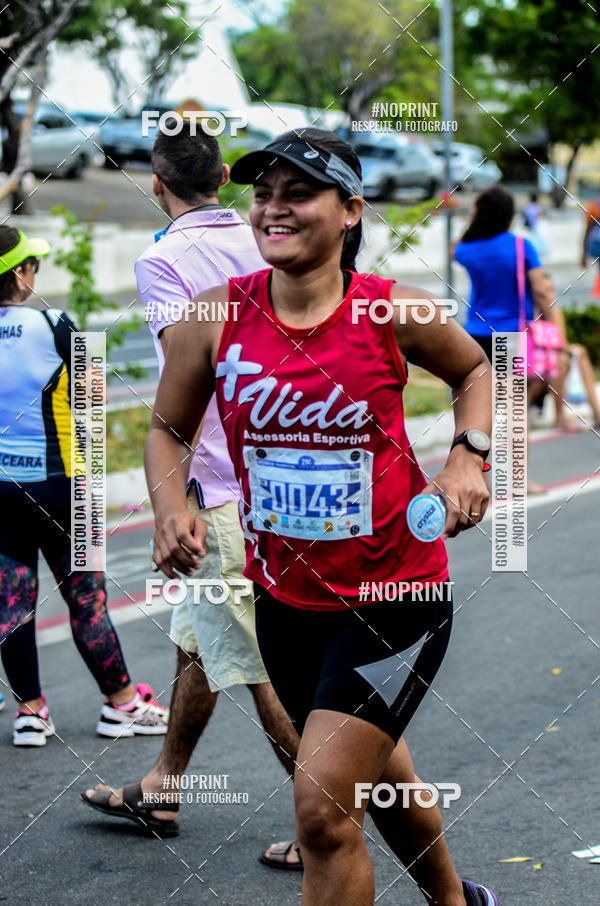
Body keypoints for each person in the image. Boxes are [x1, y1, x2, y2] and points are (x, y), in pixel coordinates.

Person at [145, 127, 497, 906]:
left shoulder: (392, 310)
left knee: (322, 810)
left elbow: (476, 367)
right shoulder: (215, 316)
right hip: (287, 602)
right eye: (263, 194)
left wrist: (468, 456)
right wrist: (171, 506)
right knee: (377, 772)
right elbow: (167, 428)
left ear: (350, 211)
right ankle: (455, 901)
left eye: (297, 193)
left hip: (394, 596)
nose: (274, 208)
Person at [81, 121, 300, 840]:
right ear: (229, 174)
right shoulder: (268, 233)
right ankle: (163, 785)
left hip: (220, 488)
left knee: (257, 660)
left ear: (156, 184)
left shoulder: (165, 258)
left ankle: (325, 826)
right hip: (284, 470)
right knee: (201, 641)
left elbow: (186, 366)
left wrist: (174, 495)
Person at [0, 226, 168, 746]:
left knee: (12, 602)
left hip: (3, 488)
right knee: (86, 599)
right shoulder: (57, 324)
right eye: (34, 267)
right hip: (66, 485)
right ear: (21, 274)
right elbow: (93, 407)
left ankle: (30, 712)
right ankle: (120, 703)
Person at [455, 186, 567, 492]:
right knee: (514, 411)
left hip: (475, 335)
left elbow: (458, 246)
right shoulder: (521, 246)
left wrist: (474, 220)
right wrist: (556, 333)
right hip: (511, 335)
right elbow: (542, 290)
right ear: (509, 215)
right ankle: (518, 480)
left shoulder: (466, 249)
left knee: (479, 409)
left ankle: (476, 478)